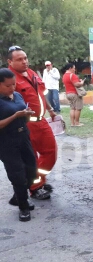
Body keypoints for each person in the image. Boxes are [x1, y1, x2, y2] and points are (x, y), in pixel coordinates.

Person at [8, 45, 57, 200]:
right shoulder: (8, 79)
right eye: (19, 59)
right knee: (30, 158)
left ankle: (38, 180)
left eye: (25, 58)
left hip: (41, 121)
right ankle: (35, 187)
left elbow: (40, 94)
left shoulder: (32, 73)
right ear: (10, 62)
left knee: (51, 153)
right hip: (24, 124)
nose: (24, 62)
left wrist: (50, 109)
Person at [0, 68, 37, 221]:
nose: (12, 88)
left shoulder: (17, 96)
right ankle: (23, 206)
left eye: (14, 84)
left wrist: (27, 115)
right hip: (6, 142)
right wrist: (15, 115)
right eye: (8, 85)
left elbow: (24, 116)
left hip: (23, 137)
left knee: (32, 169)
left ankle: (18, 196)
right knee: (17, 174)